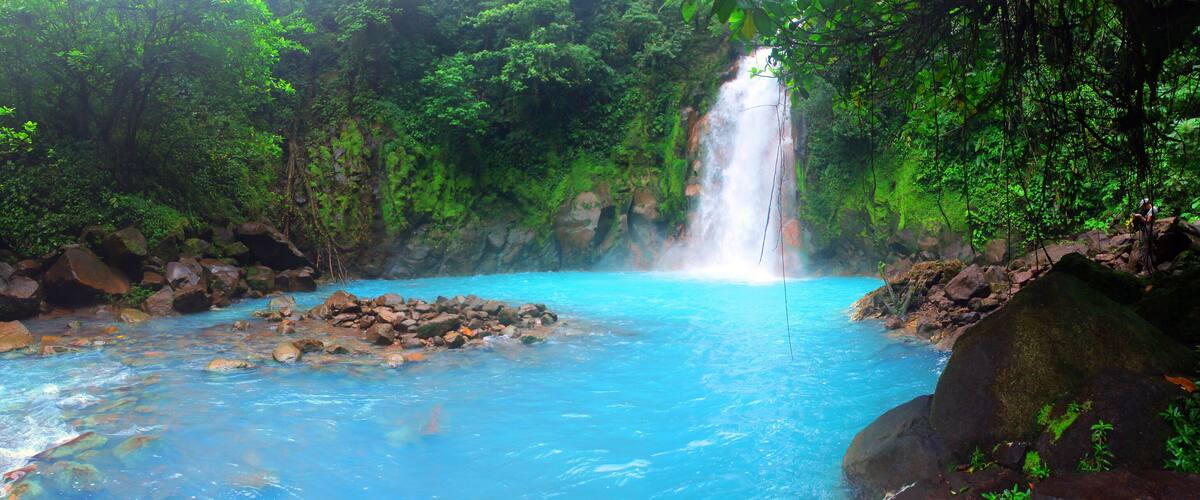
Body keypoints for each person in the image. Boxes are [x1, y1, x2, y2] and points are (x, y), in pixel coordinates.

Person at [1131, 198, 1157, 271]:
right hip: (1148, 230)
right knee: (1148, 249)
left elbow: (1148, 221)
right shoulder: (1151, 210)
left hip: (1149, 230)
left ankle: (1146, 270)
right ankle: (1150, 269)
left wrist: (1140, 216)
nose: (1143, 208)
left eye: (1143, 206)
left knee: (1146, 249)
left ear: (1146, 204)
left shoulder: (1152, 209)